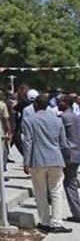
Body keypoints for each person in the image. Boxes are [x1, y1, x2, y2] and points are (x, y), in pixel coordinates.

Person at [23, 94, 71, 233]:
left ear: (35, 105)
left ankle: (44, 221)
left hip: (38, 160)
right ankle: (57, 223)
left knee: (40, 192)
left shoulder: (29, 120)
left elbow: (28, 142)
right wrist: (65, 160)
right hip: (56, 159)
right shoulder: (58, 120)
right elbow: (64, 143)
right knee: (56, 191)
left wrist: (26, 162)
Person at [58, 95, 80, 223]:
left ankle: (77, 213)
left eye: (60, 102)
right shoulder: (76, 116)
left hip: (68, 154)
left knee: (67, 183)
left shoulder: (64, 117)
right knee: (71, 182)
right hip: (76, 152)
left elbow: (60, 137)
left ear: (66, 103)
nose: (58, 103)